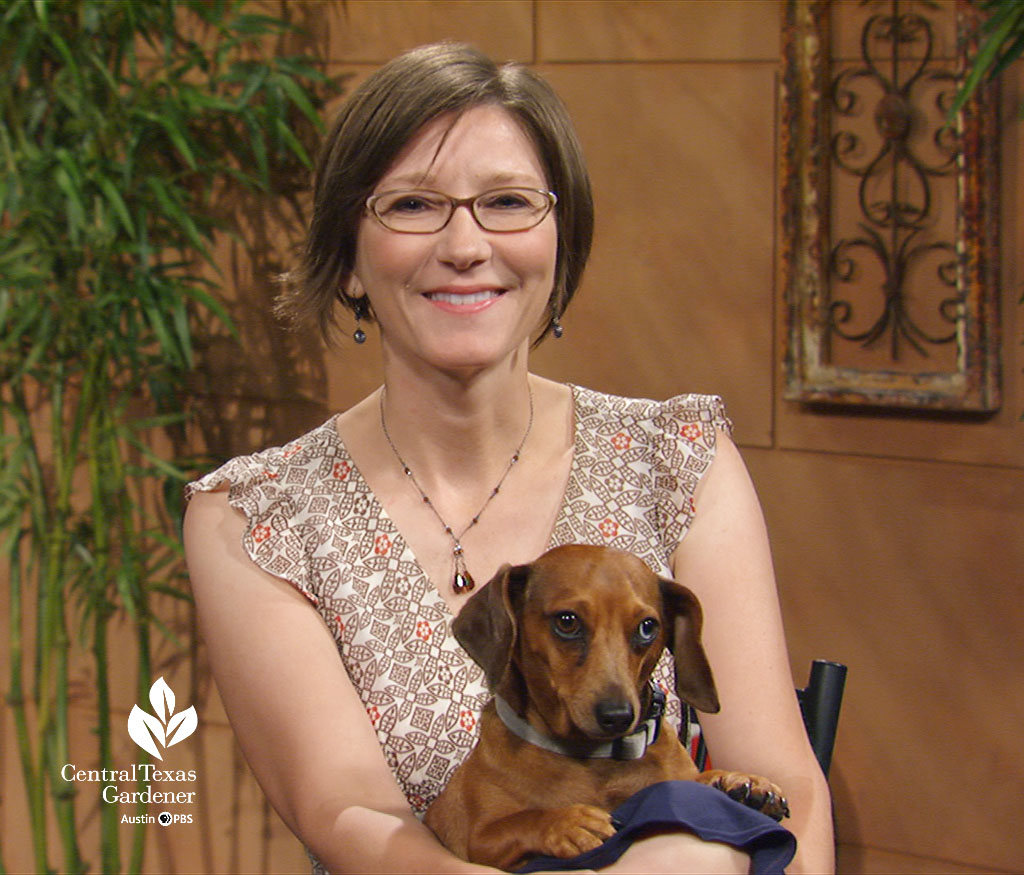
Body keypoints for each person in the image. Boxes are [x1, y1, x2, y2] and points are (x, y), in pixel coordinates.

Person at [183, 41, 834, 874]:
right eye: (413, 205)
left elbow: (784, 789)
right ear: (348, 256)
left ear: (560, 244)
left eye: (508, 202)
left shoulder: (676, 460)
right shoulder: (257, 516)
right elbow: (350, 811)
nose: (464, 244)